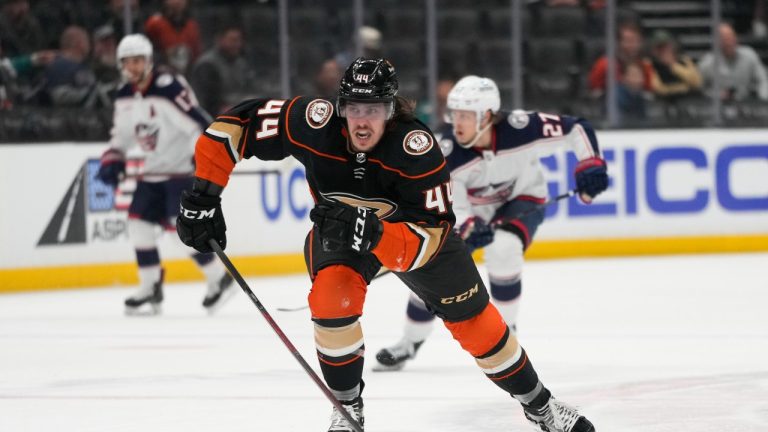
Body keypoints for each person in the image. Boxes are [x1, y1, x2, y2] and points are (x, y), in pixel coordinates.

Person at [176, 58, 599, 432]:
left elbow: (431, 238)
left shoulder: (418, 150)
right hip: (340, 232)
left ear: (391, 110)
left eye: (374, 110)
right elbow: (236, 125)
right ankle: (347, 409)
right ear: (340, 107)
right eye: (354, 109)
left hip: (410, 236)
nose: (362, 121)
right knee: (331, 302)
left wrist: (377, 234)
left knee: (478, 324)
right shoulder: (312, 121)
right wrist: (203, 196)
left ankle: (540, 406)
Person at [374, 75, 609, 371]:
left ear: (487, 116)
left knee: (504, 248)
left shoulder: (523, 127)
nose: (457, 122)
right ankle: (410, 341)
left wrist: (590, 164)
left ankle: (507, 334)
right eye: (454, 113)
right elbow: (447, 206)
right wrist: (467, 225)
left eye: (465, 116)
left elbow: (577, 128)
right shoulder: (446, 153)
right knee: (431, 272)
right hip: (472, 212)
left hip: (523, 200)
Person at [97, 34, 233, 315]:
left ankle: (218, 279)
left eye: (138, 61)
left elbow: (199, 121)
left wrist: (207, 154)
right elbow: (121, 135)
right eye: (128, 62)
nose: (133, 67)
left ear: (149, 61)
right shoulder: (125, 95)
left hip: (180, 170)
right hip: (151, 173)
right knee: (139, 226)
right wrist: (114, 156)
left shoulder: (168, 88)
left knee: (179, 231)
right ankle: (150, 286)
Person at [698, 23, 768, 101]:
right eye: (725, 39)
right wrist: (715, 94)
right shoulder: (707, 62)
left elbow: (763, 79)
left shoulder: (749, 55)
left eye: (731, 38)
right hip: (717, 105)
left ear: (735, 38)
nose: (729, 42)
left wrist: (763, 98)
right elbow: (700, 88)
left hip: (745, 103)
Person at [648, 30, 702, 100]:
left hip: (687, 101)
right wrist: (684, 88)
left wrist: (673, 66)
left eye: (665, 46)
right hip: (662, 103)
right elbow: (659, 89)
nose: (663, 50)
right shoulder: (649, 64)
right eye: (659, 47)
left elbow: (696, 83)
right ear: (653, 50)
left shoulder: (684, 60)